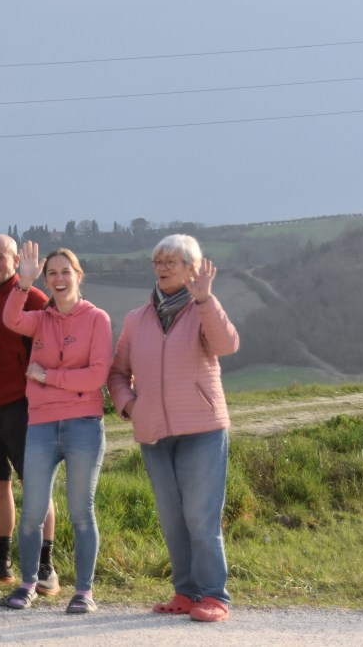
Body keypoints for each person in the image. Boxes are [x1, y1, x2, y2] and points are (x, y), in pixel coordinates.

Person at [106, 234, 239, 623]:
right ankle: (185, 593)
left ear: (192, 269)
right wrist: (131, 406)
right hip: (154, 432)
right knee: (172, 518)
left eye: (171, 262)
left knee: (200, 517)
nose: (162, 267)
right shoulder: (136, 319)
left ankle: (214, 596)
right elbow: (117, 373)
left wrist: (205, 300)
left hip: (202, 428)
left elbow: (227, 345)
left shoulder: (202, 309)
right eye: (158, 261)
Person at [1, 242, 112, 615]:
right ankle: (28, 584)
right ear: (46, 280)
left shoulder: (97, 319)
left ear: (79, 276)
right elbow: (11, 319)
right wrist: (23, 284)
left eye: (66, 272)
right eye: (52, 274)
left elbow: (96, 376)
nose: (59, 278)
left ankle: (84, 591)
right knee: (32, 512)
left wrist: (48, 376)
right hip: (42, 424)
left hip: (84, 424)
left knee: (81, 512)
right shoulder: (39, 318)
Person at [0, 234, 59, 595]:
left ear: (16, 260)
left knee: (36, 485)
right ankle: (1, 563)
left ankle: (45, 566)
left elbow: (46, 355)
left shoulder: (35, 300)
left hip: (21, 407)